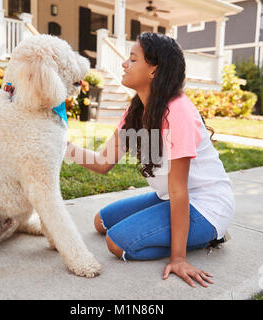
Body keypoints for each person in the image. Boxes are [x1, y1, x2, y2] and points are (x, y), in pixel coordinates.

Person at [65, 32, 235, 288]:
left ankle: (210, 236)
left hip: (206, 206)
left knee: (117, 243)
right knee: (101, 222)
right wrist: (60, 145)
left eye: (133, 59)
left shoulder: (178, 111)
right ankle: (187, 234)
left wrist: (178, 258)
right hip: (170, 197)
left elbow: (180, 190)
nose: (124, 64)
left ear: (154, 70)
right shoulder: (137, 109)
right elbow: (103, 162)